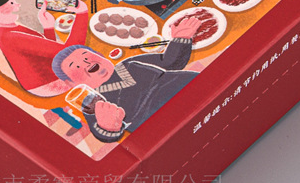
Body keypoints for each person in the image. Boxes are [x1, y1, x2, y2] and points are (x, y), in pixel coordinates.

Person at [51, 14, 203, 142]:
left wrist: (181, 38)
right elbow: (100, 132)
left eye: (87, 56)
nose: (85, 62)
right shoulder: (92, 101)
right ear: (71, 83)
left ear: (102, 56)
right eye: (75, 66)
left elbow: (171, 62)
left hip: (193, 87)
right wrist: (107, 127)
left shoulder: (129, 63)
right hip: (167, 123)